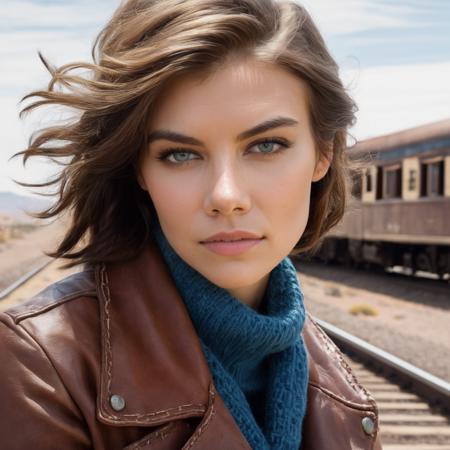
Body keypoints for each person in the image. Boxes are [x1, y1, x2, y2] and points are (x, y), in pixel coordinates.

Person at [0, 0, 382, 449]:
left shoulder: (339, 384)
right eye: (180, 154)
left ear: (323, 153)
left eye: (266, 145)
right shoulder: (41, 365)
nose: (226, 197)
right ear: (139, 169)